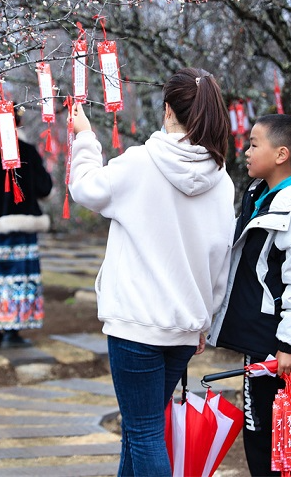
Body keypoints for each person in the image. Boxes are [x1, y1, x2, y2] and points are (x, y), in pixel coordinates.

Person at [68, 68, 235, 476]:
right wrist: (205, 320)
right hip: (184, 327)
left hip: (136, 323)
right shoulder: (221, 179)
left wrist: (85, 138)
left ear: (168, 110)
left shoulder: (141, 162)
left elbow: (84, 188)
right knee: (138, 431)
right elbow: (220, 259)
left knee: (143, 433)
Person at [207, 114, 291, 477]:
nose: (246, 151)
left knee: (280, 442)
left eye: (254, 144)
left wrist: (290, 345)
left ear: (281, 154)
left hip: (279, 349)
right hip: (260, 343)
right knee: (259, 437)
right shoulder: (261, 196)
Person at [0, 107, 53, 349]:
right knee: (19, 279)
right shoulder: (28, 151)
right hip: (22, 226)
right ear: (19, 120)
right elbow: (45, 187)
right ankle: (12, 332)